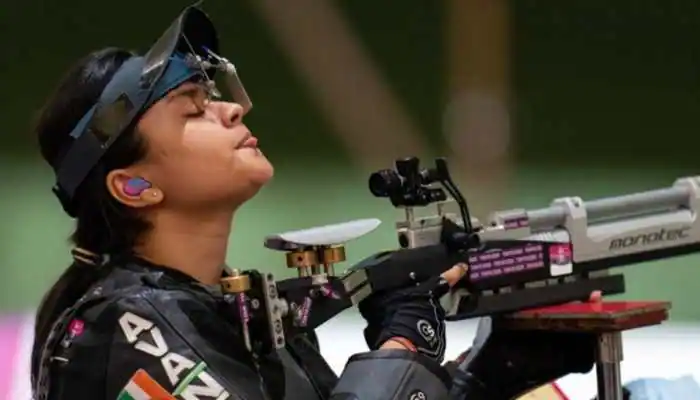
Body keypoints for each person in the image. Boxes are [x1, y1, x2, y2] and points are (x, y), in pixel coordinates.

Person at [30, 4, 598, 399]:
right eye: (193, 108)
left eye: (213, 95)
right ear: (133, 186)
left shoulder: (236, 312)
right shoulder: (127, 327)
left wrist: (486, 373)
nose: (232, 109)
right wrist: (401, 346)